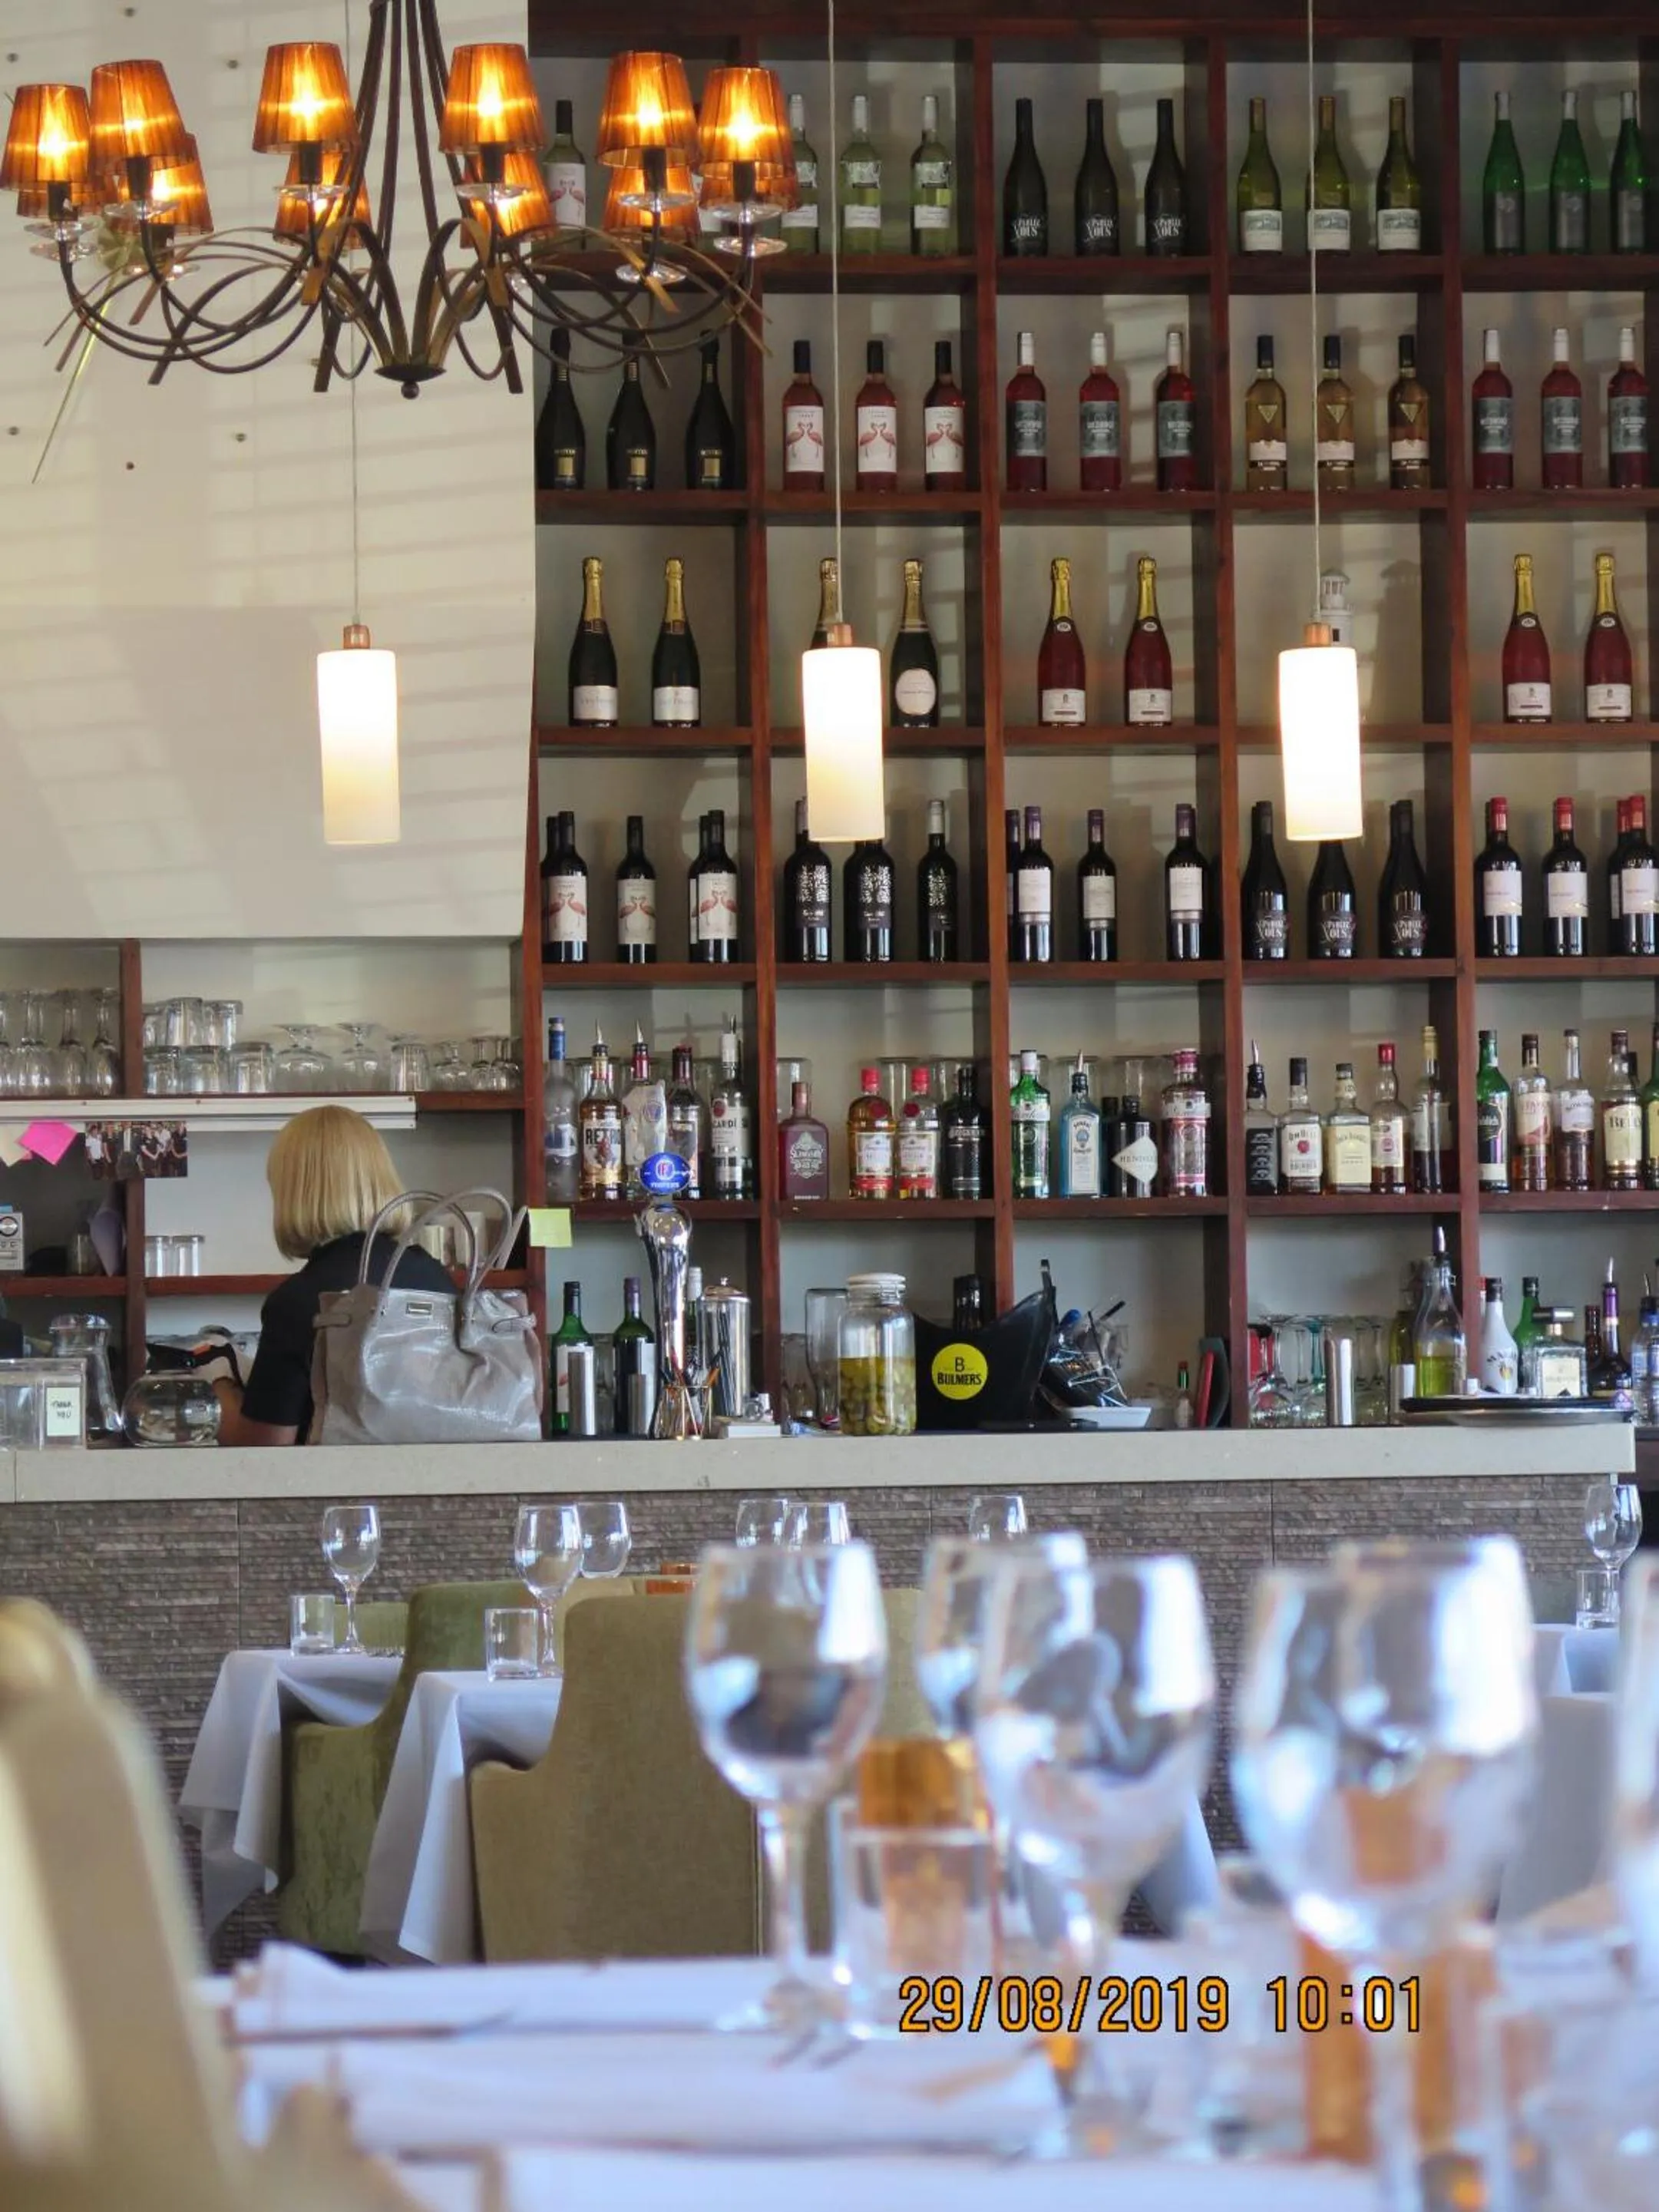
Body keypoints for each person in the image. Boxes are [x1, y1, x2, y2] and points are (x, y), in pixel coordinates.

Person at [216, 1106, 451, 1446]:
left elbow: (262, 1450)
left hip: (335, 1496)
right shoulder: (435, 1278)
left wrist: (218, 1384)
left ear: (295, 1194)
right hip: (438, 1490)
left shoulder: (300, 1302)